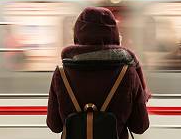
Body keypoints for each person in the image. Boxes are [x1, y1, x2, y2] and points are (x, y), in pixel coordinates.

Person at [47, 7, 150, 139]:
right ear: (114, 35)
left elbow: (54, 125)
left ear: (77, 35)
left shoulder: (61, 74)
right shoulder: (128, 73)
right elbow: (140, 126)